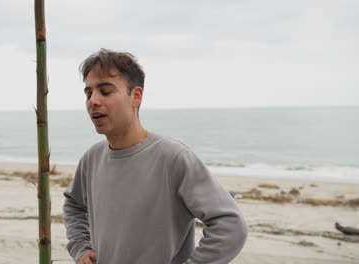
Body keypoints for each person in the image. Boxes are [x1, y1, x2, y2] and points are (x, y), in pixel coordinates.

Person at [63, 49, 247, 264]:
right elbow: (74, 204)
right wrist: (80, 247)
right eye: (88, 93)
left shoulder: (174, 158)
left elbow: (231, 225)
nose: (93, 101)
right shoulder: (91, 158)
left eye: (105, 92)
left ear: (136, 96)